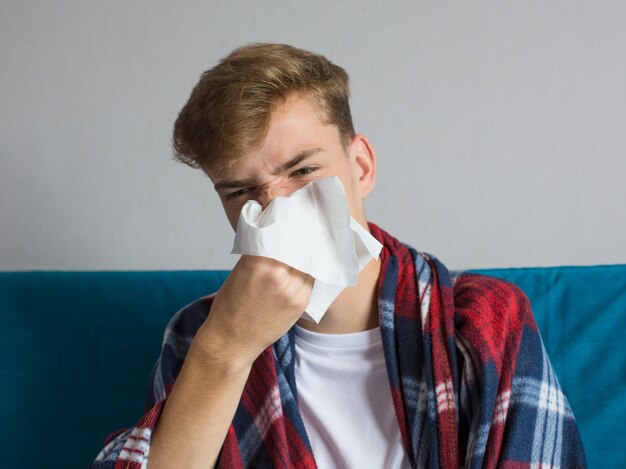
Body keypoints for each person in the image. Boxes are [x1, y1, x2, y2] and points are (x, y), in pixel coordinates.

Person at [92, 43, 586, 469]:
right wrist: (226, 348)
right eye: (242, 191)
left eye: (303, 171)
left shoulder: (480, 320)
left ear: (361, 167)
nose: (276, 207)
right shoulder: (199, 334)